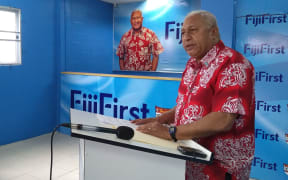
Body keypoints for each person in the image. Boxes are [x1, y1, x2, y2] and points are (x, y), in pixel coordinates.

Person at [132, 10, 255, 180]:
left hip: (219, 168)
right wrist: (160, 120)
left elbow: (223, 119)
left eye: (193, 30)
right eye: (183, 33)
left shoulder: (232, 64)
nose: (186, 37)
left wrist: (171, 132)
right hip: (189, 159)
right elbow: (187, 104)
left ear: (214, 33)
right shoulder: (192, 64)